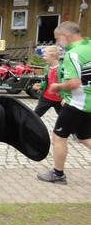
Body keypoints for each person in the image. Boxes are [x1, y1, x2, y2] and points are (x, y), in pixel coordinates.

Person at [37, 21, 91, 184]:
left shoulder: (72, 54)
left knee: (59, 136)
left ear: (65, 36)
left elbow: (74, 83)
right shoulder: (89, 47)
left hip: (78, 103)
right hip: (88, 103)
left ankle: (58, 174)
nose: (58, 44)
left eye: (58, 40)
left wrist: (57, 87)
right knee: (85, 137)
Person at [32, 45, 63, 117]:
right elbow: (47, 81)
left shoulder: (62, 68)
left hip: (59, 100)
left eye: (45, 56)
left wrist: (65, 98)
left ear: (54, 56)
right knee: (35, 116)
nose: (43, 58)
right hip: (46, 97)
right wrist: (41, 85)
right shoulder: (47, 68)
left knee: (64, 119)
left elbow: (66, 83)